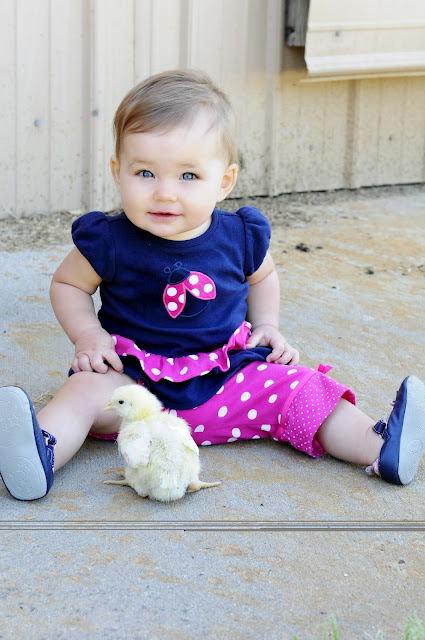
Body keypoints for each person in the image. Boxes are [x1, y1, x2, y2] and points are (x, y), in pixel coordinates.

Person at [0, 69, 424, 501]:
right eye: (145, 172)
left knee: (301, 387)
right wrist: (88, 334)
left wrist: (267, 325)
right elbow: (68, 285)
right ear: (117, 171)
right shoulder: (109, 241)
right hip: (136, 392)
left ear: (224, 181)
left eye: (188, 176)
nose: (165, 193)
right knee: (84, 390)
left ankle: (379, 445)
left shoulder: (240, 236)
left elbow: (264, 276)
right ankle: (39, 455)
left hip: (230, 380)